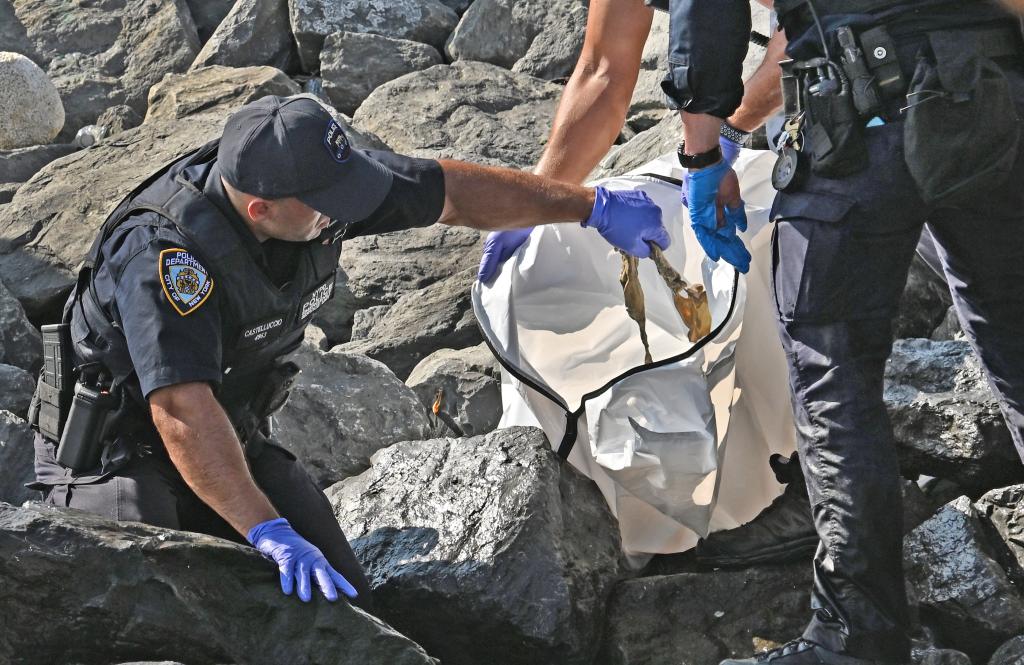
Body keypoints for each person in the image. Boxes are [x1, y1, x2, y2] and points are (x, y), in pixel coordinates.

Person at [28, 94, 671, 607]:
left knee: (349, 607)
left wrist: (587, 206)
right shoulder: (167, 257)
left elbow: (448, 191)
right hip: (118, 452)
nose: (347, 215)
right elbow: (180, 409)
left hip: (232, 429)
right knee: (139, 604)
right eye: (330, 210)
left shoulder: (316, 181)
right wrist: (265, 531)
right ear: (262, 208)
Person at [659, 1, 1024, 665]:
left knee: (833, 361)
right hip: (991, 90)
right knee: (1015, 328)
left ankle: (856, 638)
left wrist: (704, 150)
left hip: (858, 113)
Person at [477, 0, 817, 569]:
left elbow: (813, 31)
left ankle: (819, 485)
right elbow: (604, 72)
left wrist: (721, 140)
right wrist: (539, 201)